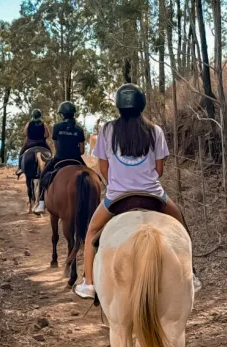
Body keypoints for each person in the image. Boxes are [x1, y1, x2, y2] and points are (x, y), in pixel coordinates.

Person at [73, 83, 195, 299]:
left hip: (118, 197)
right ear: (142, 104)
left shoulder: (107, 130)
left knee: (92, 231)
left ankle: (89, 283)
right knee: (181, 225)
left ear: (119, 106)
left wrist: (118, 182)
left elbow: (103, 168)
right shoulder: (155, 131)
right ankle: (191, 274)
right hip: (153, 195)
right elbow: (159, 169)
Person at [33, 101, 86, 214]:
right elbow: (81, 151)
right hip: (76, 159)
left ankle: (41, 203)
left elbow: (57, 147)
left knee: (43, 176)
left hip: (59, 158)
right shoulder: (79, 130)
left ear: (62, 115)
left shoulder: (57, 127)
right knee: (92, 176)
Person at [16, 109, 51, 177]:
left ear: (33, 116)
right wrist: (42, 137)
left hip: (30, 143)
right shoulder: (43, 124)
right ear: (40, 116)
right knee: (49, 151)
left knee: (21, 152)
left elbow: (25, 133)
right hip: (42, 143)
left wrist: (31, 136)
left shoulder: (29, 123)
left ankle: (19, 168)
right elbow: (47, 135)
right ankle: (50, 166)